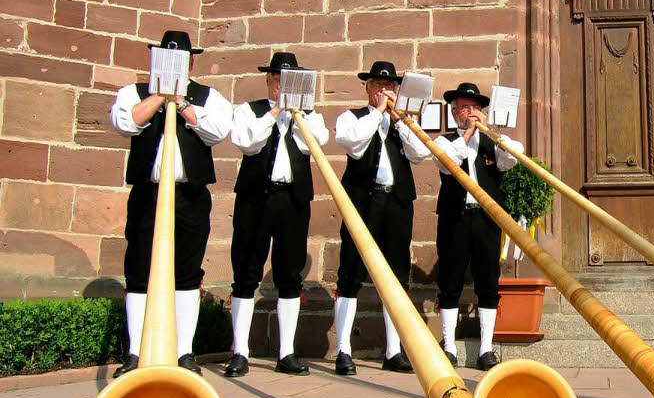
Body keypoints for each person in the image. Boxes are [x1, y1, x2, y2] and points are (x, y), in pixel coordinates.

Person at [109, 30, 232, 377]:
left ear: (191, 61)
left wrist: (183, 103)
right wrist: (160, 95)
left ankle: (183, 353)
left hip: (189, 194)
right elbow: (125, 121)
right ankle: (135, 352)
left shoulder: (209, 96)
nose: (176, 64)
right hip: (148, 194)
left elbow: (219, 130)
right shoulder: (134, 92)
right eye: (167, 58)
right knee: (139, 269)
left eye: (181, 60)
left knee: (188, 271)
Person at [224, 52, 330, 378]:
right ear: (269, 81)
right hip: (255, 198)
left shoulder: (309, 115)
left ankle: (287, 352)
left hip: (293, 199)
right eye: (278, 80)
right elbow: (246, 142)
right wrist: (274, 112)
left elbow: (316, 143)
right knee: (246, 271)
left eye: (289, 82)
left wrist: (297, 112)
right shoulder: (248, 111)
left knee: (289, 273)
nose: (282, 86)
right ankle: (239, 351)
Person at [333, 61, 431, 374]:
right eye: (378, 85)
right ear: (368, 88)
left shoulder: (404, 122)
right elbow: (355, 146)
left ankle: (393, 351)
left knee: (396, 276)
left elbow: (421, 152)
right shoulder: (353, 117)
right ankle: (343, 350)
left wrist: (399, 121)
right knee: (351, 271)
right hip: (363, 201)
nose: (384, 91)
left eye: (389, 87)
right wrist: (377, 113)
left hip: (397, 202)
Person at [433, 82, 523, 370]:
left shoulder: (492, 141)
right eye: (463, 107)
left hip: (486, 218)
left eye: (474, 107)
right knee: (450, 280)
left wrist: (491, 133)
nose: (469, 111)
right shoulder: (444, 140)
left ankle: (486, 349)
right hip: (455, 217)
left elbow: (511, 159)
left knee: (488, 280)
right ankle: (448, 346)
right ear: (454, 112)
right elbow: (448, 163)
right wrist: (469, 132)